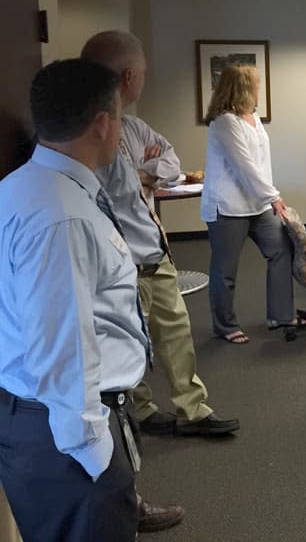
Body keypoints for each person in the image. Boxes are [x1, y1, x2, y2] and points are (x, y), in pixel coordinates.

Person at [0, 59, 168, 540]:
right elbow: (62, 346)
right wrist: (98, 458)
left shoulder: (21, 188)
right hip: (65, 439)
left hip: (38, 422)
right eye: (119, 118)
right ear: (101, 123)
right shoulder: (63, 217)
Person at [82, 30, 239, 438]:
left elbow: (171, 162)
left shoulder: (132, 127)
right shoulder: (89, 131)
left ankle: (193, 410)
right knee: (131, 342)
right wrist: (143, 178)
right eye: (145, 72)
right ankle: (143, 410)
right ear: (130, 76)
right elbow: (113, 191)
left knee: (177, 334)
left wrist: (147, 173)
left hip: (156, 250)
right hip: (122, 262)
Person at [201, 64, 297, 344]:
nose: (258, 88)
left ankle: (280, 314)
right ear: (242, 87)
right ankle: (225, 325)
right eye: (255, 83)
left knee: (281, 250)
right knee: (225, 269)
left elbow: (261, 165)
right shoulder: (224, 122)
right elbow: (245, 167)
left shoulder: (252, 116)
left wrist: (267, 198)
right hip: (228, 207)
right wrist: (274, 197)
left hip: (257, 204)